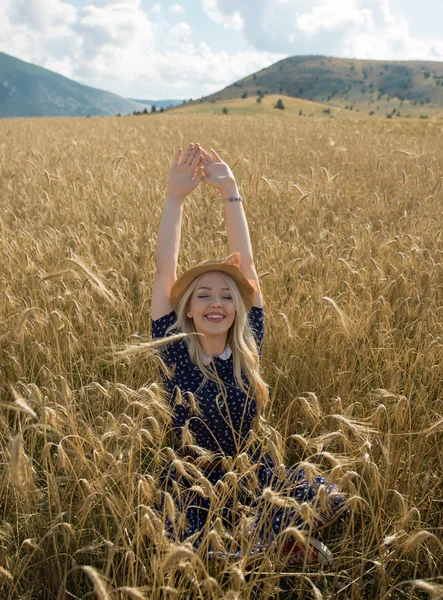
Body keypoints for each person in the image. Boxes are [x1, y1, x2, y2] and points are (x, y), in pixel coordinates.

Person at [150, 142, 348, 565]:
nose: (216, 302)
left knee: (317, 493)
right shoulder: (176, 350)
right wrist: (174, 198)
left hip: (253, 472)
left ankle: (273, 546)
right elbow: (165, 270)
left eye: (226, 295)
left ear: (239, 308)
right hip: (194, 481)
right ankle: (274, 549)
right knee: (199, 545)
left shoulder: (248, 344)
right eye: (203, 295)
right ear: (185, 307)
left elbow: (250, 266)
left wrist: (230, 192)